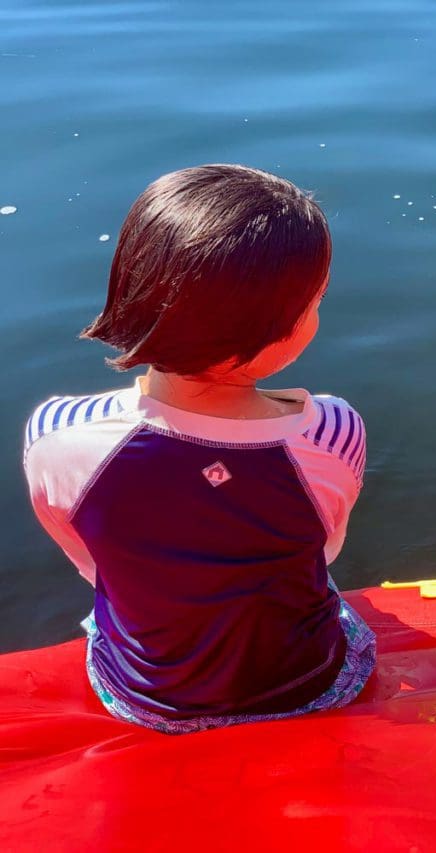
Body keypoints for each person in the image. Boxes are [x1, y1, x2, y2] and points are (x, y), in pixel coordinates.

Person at [23, 164, 375, 733]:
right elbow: (326, 548)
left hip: (147, 699)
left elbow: (88, 559)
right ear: (279, 330)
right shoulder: (331, 431)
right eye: (315, 303)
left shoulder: (57, 433)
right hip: (309, 685)